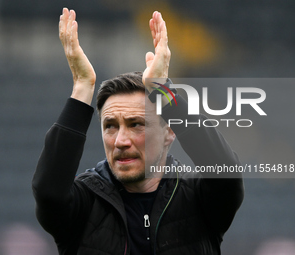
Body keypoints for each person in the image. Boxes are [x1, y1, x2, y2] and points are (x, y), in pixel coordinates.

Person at [32, 8, 244, 255]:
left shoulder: (197, 199)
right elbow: (48, 192)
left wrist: (164, 92)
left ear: (170, 132)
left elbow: (226, 173)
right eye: (110, 126)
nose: (121, 141)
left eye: (136, 125)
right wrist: (81, 87)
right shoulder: (85, 202)